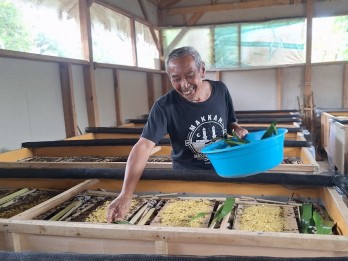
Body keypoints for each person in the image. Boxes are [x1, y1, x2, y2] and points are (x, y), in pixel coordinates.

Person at [106, 46, 248, 223]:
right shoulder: (165, 106)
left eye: (190, 76)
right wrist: (126, 193)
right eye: (176, 79)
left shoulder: (221, 90)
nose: (184, 85)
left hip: (223, 174)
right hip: (186, 181)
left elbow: (230, 123)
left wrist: (237, 129)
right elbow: (144, 146)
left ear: (202, 70)